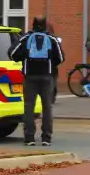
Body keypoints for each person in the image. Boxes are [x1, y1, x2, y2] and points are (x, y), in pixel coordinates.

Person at [10, 16, 64, 146]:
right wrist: (50, 63)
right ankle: (46, 137)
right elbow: (61, 58)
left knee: (29, 107)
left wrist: (24, 59)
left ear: (33, 25)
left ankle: (29, 138)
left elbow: (13, 54)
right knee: (47, 107)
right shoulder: (52, 39)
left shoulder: (26, 38)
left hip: (29, 78)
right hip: (47, 77)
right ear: (45, 25)